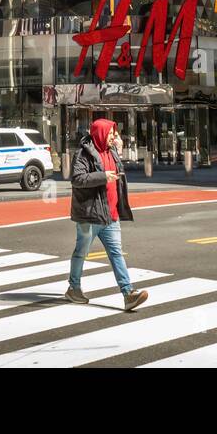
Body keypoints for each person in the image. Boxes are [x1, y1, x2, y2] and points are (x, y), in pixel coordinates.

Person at [65, 118, 149, 311]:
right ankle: (73, 288)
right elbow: (77, 179)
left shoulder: (111, 152)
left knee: (116, 253)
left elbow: (117, 177)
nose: (114, 137)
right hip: (91, 214)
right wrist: (103, 177)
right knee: (81, 252)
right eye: (111, 133)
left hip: (111, 215)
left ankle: (128, 294)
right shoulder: (83, 154)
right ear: (101, 134)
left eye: (114, 133)